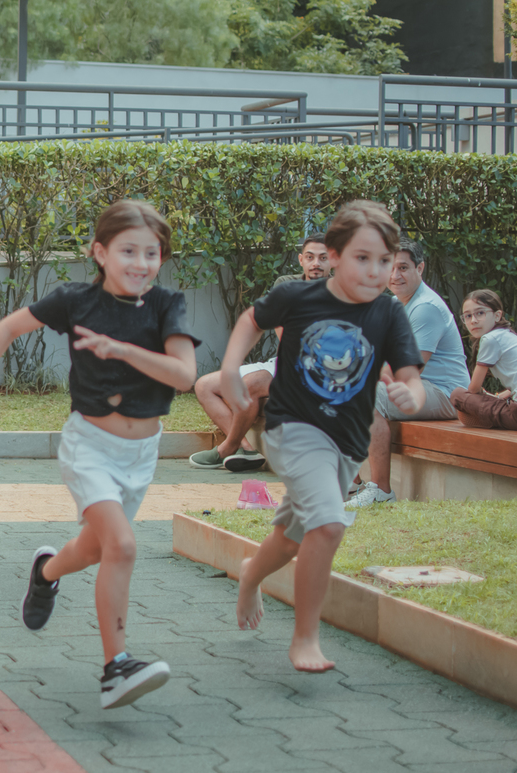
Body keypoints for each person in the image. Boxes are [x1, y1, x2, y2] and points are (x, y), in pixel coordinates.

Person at [0, 199, 199, 709]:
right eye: (128, 251)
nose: (141, 263)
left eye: (151, 253)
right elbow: (6, 329)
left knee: (93, 550)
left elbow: (184, 375)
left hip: (142, 453)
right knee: (122, 547)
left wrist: (124, 350)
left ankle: (44, 574)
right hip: (89, 446)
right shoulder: (75, 300)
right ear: (100, 252)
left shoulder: (167, 305)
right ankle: (116, 668)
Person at [222, 200, 424, 673]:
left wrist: (411, 395)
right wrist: (231, 366)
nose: (376, 271)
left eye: (385, 262)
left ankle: (251, 573)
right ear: (332, 255)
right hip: (293, 429)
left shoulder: (389, 314)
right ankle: (306, 639)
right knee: (329, 524)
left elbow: (410, 374)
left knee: (294, 536)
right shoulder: (298, 296)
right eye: (362, 258)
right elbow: (252, 318)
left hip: (346, 444)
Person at [346, 237, 470, 507]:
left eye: (402, 267)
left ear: (420, 268)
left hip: (444, 392)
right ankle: (350, 482)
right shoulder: (396, 304)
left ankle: (381, 490)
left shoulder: (425, 307)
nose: (394, 275)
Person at [189, 235, 329, 472]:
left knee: (253, 383)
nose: (316, 263)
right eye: (310, 257)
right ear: (301, 260)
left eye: (323, 258)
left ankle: (227, 447)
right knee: (204, 385)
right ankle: (247, 450)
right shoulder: (286, 284)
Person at [450, 290, 517, 430]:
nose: (473, 320)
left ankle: (488, 419)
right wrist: (499, 397)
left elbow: (473, 389)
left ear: (497, 315)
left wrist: (486, 395)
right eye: (468, 316)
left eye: (480, 313)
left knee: (458, 395)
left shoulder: (490, 339)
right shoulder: (509, 335)